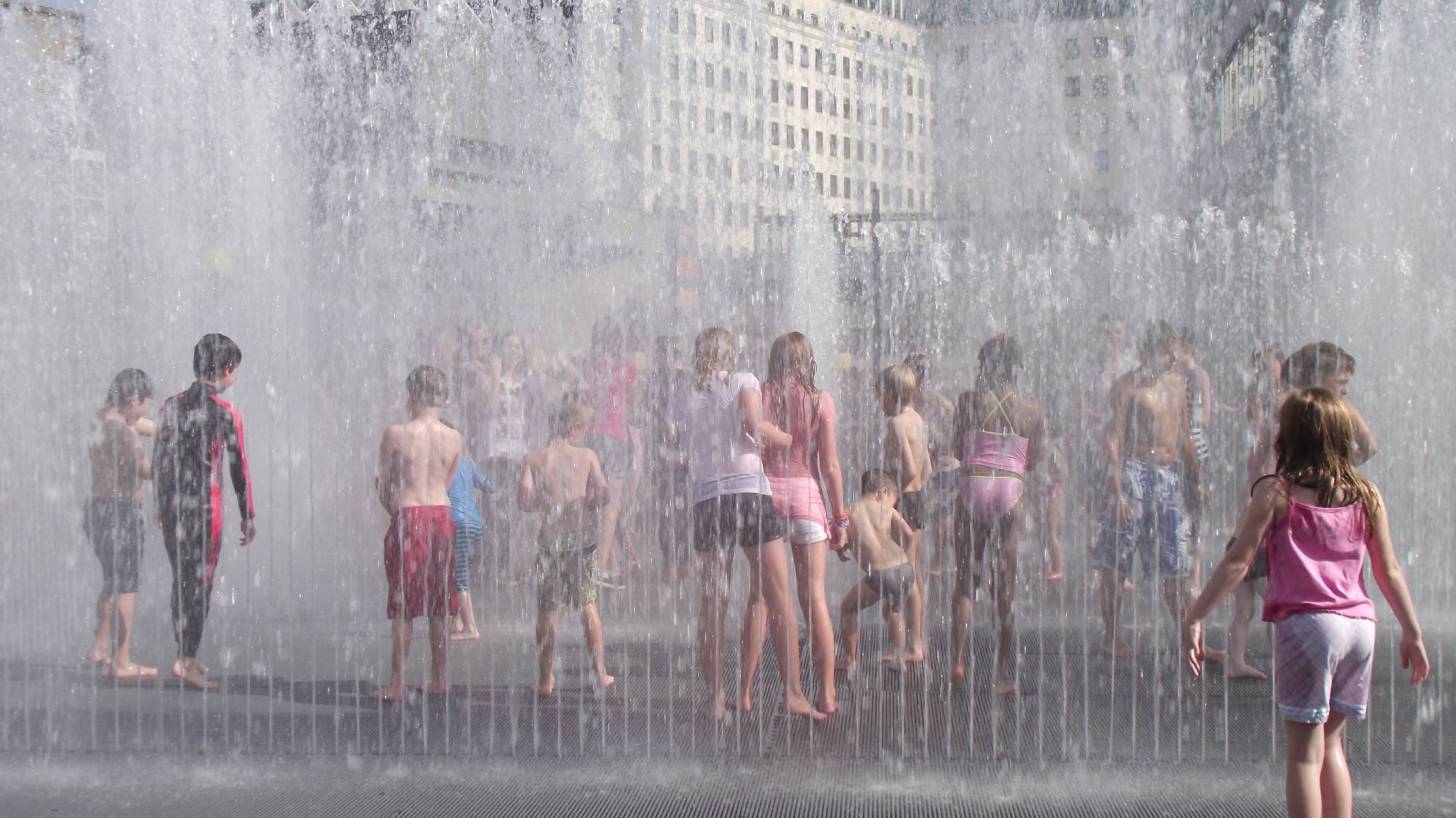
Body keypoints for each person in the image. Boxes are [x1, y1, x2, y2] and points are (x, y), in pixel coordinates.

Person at [1182, 388, 1429, 818]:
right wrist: (1413, 632)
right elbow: (1389, 571)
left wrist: (1196, 615)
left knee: (1303, 756)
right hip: (1359, 629)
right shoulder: (1366, 495)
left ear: (1290, 435)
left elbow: (1238, 562)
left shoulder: (1278, 495)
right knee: (1333, 746)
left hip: (1309, 626)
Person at [675, 327, 823, 722]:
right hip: (748, 493)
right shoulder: (743, 380)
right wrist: (786, 438)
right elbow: (752, 424)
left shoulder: (685, 393)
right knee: (778, 595)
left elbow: (680, 445)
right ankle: (792, 693)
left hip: (708, 498)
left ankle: (717, 697)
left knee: (712, 604)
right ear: (729, 354)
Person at [152, 334, 256, 690]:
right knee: (201, 583)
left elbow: (159, 460)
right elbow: (238, 468)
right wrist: (248, 514)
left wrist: (160, 503)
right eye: (235, 371)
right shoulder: (227, 414)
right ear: (226, 370)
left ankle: (187, 654)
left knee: (181, 579)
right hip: (206, 509)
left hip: (174, 504)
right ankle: (184, 659)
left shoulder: (170, 406)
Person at [1092, 320, 1201, 656]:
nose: (1172, 359)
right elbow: (1113, 437)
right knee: (1117, 559)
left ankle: (1187, 635)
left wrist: (1197, 480)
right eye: (1167, 353)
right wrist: (1116, 488)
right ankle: (1112, 635)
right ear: (1147, 351)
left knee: (1177, 562)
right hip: (1134, 474)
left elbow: (1185, 435)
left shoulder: (1178, 384)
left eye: (1174, 352)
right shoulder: (1127, 387)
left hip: (1169, 477)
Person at [751, 331, 848, 714]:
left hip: (768, 501)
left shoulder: (762, 394)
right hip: (808, 501)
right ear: (808, 359)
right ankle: (826, 692)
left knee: (768, 600)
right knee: (816, 600)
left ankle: (749, 689)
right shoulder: (820, 400)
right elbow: (831, 466)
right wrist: (839, 518)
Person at [950, 335, 1044, 693]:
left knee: (964, 580)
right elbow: (1033, 460)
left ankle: (957, 660)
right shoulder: (1031, 409)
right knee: (1005, 587)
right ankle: (1003, 675)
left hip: (972, 486)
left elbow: (957, 448)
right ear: (1015, 367)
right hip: (1009, 489)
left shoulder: (967, 401)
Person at [518, 394, 615, 698]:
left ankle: (546, 678)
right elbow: (603, 493)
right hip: (581, 539)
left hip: (550, 541)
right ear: (575, 427)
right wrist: (591, 499)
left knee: (548, 611)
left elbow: (525, 502)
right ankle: (600, 672)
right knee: (588, 605)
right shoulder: (586, 456)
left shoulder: (534, 458)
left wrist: (541, 499)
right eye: (584, 429)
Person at [375, 365, 461, 700]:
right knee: (439, 604)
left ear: (410, 395)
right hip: (441, 515)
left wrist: (396, 512)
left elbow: (383, 485)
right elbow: (448, 483)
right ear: (445, 399)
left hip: (408, 515)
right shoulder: (454, 437)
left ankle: (396, 683)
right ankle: (439, 678)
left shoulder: (396, 434)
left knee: (402, 603)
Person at [86, 368, 157, 680]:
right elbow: (146, 470)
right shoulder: (124, 434)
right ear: (132, 399)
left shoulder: (100, 420)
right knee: (126, 586)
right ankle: (122, 661)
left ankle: (99, 649)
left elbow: (135, 423)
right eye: (143, 407)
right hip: (122, 511)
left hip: (97, 510)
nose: (142, 416)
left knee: (111, 581)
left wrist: (164, 429)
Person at [835, 469, 918, 673]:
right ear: (882, 492)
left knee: (847, 608)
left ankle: (850, 660)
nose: (892, 505)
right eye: (893, 499)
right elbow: (909, 534)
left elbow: (839, 539)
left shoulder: (847, 511)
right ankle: (899, 658)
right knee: (893, 610)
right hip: (904, 568)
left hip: (881, 574)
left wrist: (842, 551)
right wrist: (907, 558)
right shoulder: (886, 510)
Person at [878, 363, 932, 662]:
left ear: (892, 393)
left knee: (901, 575)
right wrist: (915, 493)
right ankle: (917, 642)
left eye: (880, 394)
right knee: (915, 573)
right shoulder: (919, 421)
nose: (879, 401)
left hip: (902, 502)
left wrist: (891, 496)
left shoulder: (896, 424)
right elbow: (927, 469)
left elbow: (910, 469)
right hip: (917, 501)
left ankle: (909, 647)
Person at [585, 318, 640, 585]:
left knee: (596, 502)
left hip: (593, 439)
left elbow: (587, 401)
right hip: (617, 439)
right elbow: (633, 402)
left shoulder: (591, 368)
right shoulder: (627, 368)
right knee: (612, 506)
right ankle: (601, 566)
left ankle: (610, 562)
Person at [480, 332, 535, 584]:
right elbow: (487, 411)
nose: (514, 351)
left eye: (518, 347)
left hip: (519, 452)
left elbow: (534, 417)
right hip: (496, 452)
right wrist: (494, 378)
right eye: (509, 346)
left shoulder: (527, 382)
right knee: (495, 510)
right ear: (500, 350)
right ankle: (497, 566)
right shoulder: (490, 378)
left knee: (517, 511)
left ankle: (514, 567)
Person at [903, 351, 958, 580]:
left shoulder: (926, 400)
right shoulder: (922, 400)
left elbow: (952, 417)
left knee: (941, 518)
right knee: (934, 518)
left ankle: (936, 563)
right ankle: (934, 563)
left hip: (941, 465)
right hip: (930, 466)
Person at [446, 444, 491, 641]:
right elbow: (490, 485)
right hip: (475, 524)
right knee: (456, 571)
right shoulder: (466, 464)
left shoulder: (441, 465)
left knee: (459, 577)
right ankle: (457, 620)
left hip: (457, 522)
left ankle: (470, 627)